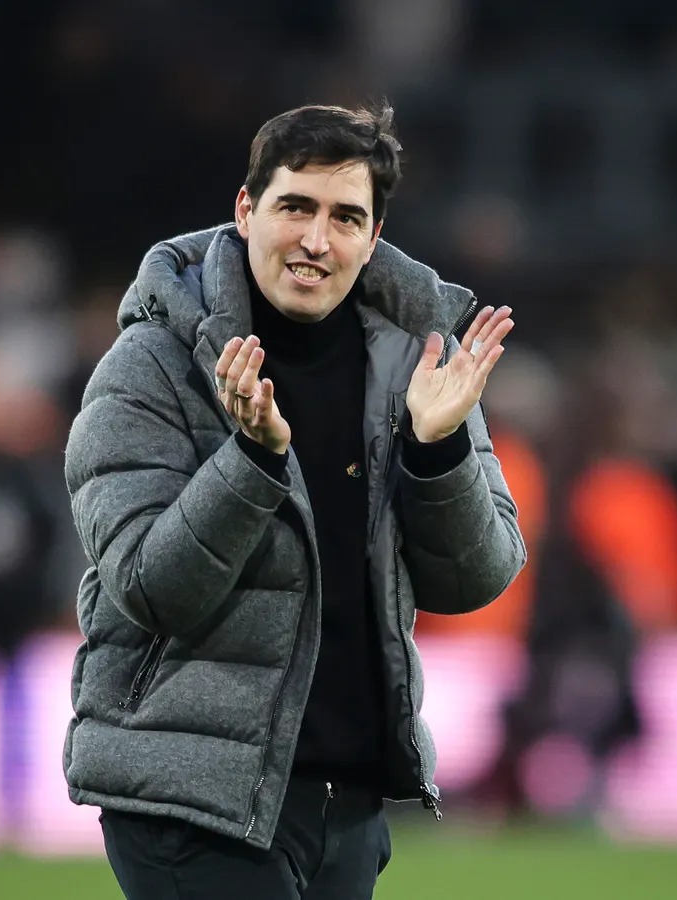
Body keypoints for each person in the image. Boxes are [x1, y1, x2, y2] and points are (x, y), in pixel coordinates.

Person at [63, 103, 526, 898]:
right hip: (194, 802)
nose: (317, 239)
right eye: (296, 207)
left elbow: (474, 580)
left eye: (347, 217)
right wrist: (251, 460)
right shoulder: (151, 365)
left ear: (374, 238)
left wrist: (438, 448)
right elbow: (147, 587)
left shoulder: (415, 365)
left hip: (346, 808)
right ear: (246, 212)